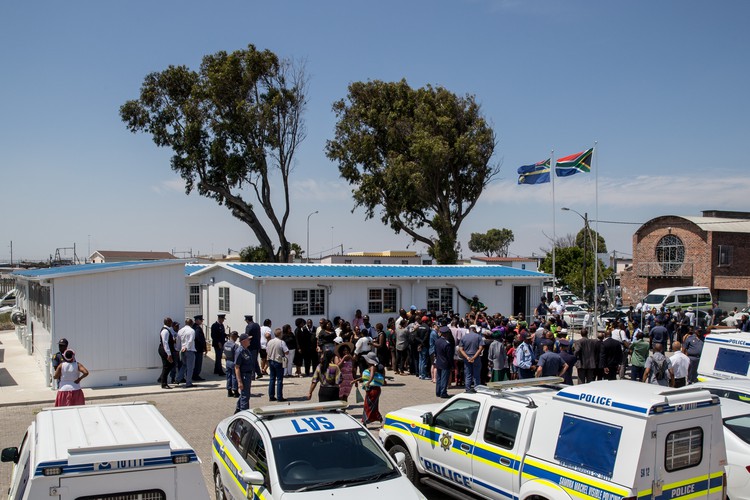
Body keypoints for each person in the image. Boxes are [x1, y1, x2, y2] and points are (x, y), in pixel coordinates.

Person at [355, 352, 386, 426]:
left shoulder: (372, 367)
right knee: (370, 406)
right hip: (371, 390)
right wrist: (355, 380)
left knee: (369, 406)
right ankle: (368, 421)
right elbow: (365, 377)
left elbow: (371, 376)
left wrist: (368, 382)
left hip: (373, 390)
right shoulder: (371, 367)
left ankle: (366, 421)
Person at [458, 324, 484, 391]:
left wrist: (467, 357)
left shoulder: (464, 337)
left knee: (468, 374)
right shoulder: (478, 337)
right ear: (475, 330)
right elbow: (480, 348)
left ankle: (467, 389)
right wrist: (474, 357)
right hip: (476, 357)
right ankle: (477, 389)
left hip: (467, 358)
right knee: (476, 375)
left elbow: (461, 349)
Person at [266, 327, 289, 402]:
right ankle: (279, 397)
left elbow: (267, 350)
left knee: (272, 379)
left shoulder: (270, 341)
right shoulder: (281, 342)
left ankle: (271, 396)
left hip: (270, 360)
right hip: (278, 361)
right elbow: (286, 352)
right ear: (280, 334)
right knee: (279, 379)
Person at [234, 333, 254, 413]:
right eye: (248, 339)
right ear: (244, 341)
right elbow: (237, 367)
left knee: (244, 394)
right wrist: (239, 381)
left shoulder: (246, 350)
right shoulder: (240, 351)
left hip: (248, 375)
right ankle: (244, 412)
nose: (250, 341)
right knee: (245, 395)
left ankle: (238, 409)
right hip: (244, 375)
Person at [434, 325, 454, 398]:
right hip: (445, 363)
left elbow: (435, 352)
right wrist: (452, 365)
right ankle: (443, 392)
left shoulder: (437, 341)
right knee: (444, 379)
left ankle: (438, 392)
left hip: (439, 362)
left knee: (439, 378)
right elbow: (449, 356)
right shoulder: (447, 344)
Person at [176, 318, 196, 388]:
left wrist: (178, 349)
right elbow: (190, 341)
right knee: (190, 367)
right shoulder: (192, 331)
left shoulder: (180, 330)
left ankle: (178, 379)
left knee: (184, 365)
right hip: (189, 350)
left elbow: (178, 341)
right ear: (191, 323)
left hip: (182, 350)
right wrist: (186, 347)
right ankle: (188, 382)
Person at [157, 317, 175, 389]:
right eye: (171, 322)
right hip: (164, 350)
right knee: (167, 366)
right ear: (167, 322)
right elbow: (165, 343)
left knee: (171, 365)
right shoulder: (165, 331)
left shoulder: (168, 330)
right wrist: (169, 354)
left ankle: (161, 378)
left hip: (165, 349)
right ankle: (164, 384)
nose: (172, 323)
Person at [245, 315, 263, 379]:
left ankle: (252, 375)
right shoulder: (257, 325)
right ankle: (259, 373)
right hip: (257, 345)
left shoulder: (248, 326)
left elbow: (247, 336)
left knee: (251, 361)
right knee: (254, 360)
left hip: (251, 346)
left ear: (247, 320)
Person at [223, 331, 240, 397]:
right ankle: (235, 391)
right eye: (236, 337)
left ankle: (229, 391)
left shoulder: (225, 344)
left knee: (228, 376)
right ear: (234, 337)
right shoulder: (235, 345)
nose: (236, 339)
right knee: (234, 377)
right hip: (233, 362)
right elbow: (237, 355)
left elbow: (224, 352)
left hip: (227, 361)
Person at [192, 314, 208, 382]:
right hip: (198, 348)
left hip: (196, 348)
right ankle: (196, 375)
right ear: (197, 320)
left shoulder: (194, 327)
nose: (202, 321)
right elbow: (200, 339)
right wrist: (204, 347)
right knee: (198, 363)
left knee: (196, 362)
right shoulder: (197, 328)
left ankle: (195, 375)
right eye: (201, 320)